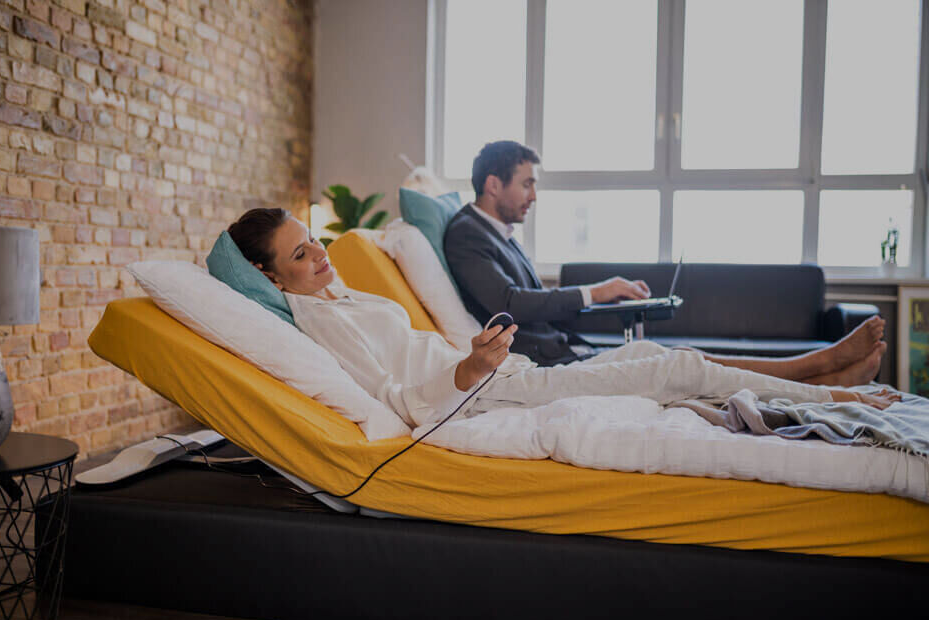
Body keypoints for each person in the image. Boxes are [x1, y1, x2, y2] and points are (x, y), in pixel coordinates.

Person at [226, 208, 899, 429]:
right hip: (494, 394)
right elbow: (396, 402)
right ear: (267, 274)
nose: (319, 256)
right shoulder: (321, 326)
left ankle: (819, 377)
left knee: (666, 368)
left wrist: (480, 355)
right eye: (300, 254)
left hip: (504, 375)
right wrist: (468, 367)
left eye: (314, 242)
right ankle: (840, 391)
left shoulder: (344, 299)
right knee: (675, 367)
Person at [443, 141, 888, 385]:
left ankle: (818, 378)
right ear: (493, 184)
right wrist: (597, 291)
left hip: (567, 351)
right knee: (681, 364)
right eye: (527, 184)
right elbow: (510, 302)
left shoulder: (497, 234)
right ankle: (816, 373)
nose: (534, 196)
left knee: (681, 359)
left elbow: (529, 299)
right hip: (546, 365)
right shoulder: (466, 233)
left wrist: (604, 295)